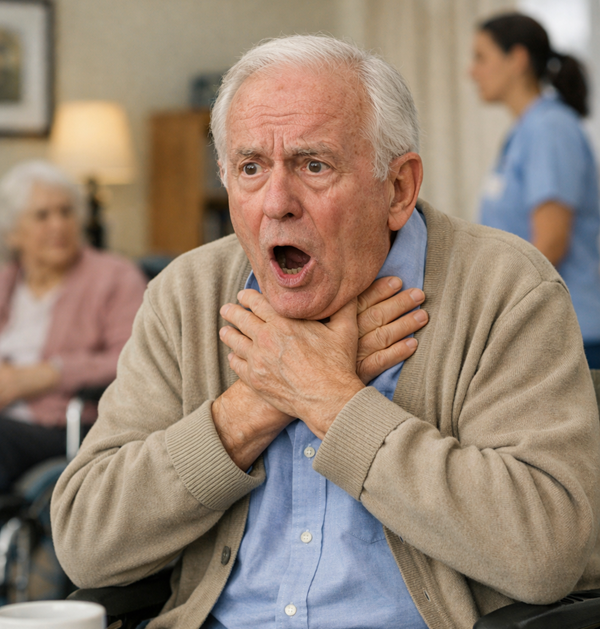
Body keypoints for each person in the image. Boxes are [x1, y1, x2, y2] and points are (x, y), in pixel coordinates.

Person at [52, 35, 600, 629]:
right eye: (251, 168)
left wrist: (333, 400)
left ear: (397, 189)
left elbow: (545, 550)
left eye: (314, 165)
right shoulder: (185, 295)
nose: (277, 203)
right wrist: (257, 401)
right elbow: (86, 541)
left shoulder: (505, 290)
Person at [0, 160, 146, 492]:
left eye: (66, 212)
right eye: (42, 216)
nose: (59, 225)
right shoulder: (6, 281)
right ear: (13, 232)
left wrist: (51, 373)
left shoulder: (114, 277)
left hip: (67, 425)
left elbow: (134, 358)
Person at [470, 12, 600, 369]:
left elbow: (551, 243)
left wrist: (497, 316)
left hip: (570, 333)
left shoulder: (550, 129)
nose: (472, 72)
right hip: (544, 327)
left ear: (518, 60)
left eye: (481, 57)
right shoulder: (526, 131)